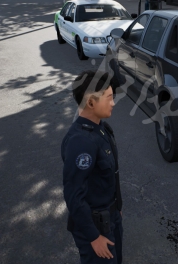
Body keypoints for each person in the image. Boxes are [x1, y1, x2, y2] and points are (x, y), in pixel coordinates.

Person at [62, 70, 123, 264]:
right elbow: (73, 194)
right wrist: (93, 237)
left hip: (111, 218)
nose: (113, 103)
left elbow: (111, 175)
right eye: (109, 98)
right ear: (90, 103)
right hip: (96, 228)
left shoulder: (101, 129)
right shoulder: (82, 142)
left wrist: (117, 207)